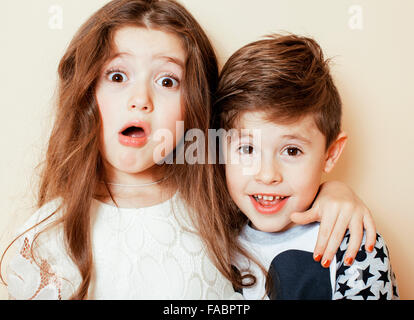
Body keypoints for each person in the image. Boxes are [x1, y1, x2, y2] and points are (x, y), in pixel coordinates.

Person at [1, 0, 375, 299]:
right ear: (87, 95)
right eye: (117, 76)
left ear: (193, 105)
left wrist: (333, 194)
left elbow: (271, 191)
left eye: (167, 80)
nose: (140, 100)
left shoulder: (214, 201)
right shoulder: (42, 242)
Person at [213, 34, 398, 299]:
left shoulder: (354, 247)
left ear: (330, 154)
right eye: (247, 149)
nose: (267, 175)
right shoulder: (210, 241)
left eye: (291, 151)